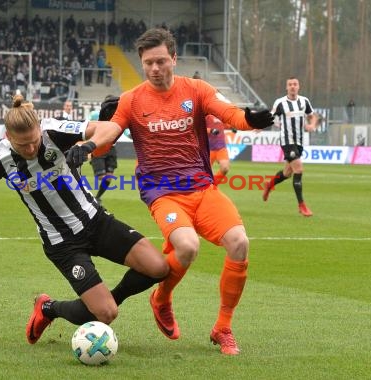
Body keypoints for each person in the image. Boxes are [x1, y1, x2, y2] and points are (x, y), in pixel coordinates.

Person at [65, 28, 274, 355]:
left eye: (161, 61)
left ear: (174, 59)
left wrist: (251, 120)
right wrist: (88, 146)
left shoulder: (197, 89)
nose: (155, 68)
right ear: (142, 63)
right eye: (148, 62)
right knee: (187, 245)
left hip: (202, 188)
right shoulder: (132, 100)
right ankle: (161, 298)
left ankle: (223, 327)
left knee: (239, 243)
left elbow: (230, 114)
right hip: (162, 191)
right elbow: (111, 130)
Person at [0, 94, 169, 345]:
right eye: (22, 144)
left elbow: (109, 128)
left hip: (96, 221)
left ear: (39, 128)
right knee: (106, 314)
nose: (30, 149)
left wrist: (86, 146)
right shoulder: (0, 160)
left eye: (33, 141)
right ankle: (49, 308)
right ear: (8, 137)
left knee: (159, 268)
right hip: (63, 244)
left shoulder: (55, 132)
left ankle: (108, 299)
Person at [262, 77, 318, 217]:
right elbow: (270, 116)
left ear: (299, 86)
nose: (293, 86)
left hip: (299, 142)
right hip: (287, 141)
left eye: (295, 84)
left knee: (287, 173)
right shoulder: (280, 103)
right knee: (298, 169)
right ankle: (302, 205)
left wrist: (312, 125)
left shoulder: (304, 101)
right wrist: (258, 126)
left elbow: (312, 116)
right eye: (290, 84)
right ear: (286, 87)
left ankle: (270, 185)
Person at [89, 95, 120, 204]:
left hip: (111, 149)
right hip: (99, 148)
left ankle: (97, 197)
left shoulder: (118, 116)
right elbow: (89, 127)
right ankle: (87, 195)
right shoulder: (95, 115)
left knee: (109, 178)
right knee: (101, 176)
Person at [206, 114, 236, 185]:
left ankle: (214, 185)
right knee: (205, 172)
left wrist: (232, 127)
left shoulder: (220, 116)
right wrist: (211, 130)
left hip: (221, 147)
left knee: (225, 168)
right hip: (208, 149)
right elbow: (199, 128)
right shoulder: (206, 116)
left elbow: (225, 125)